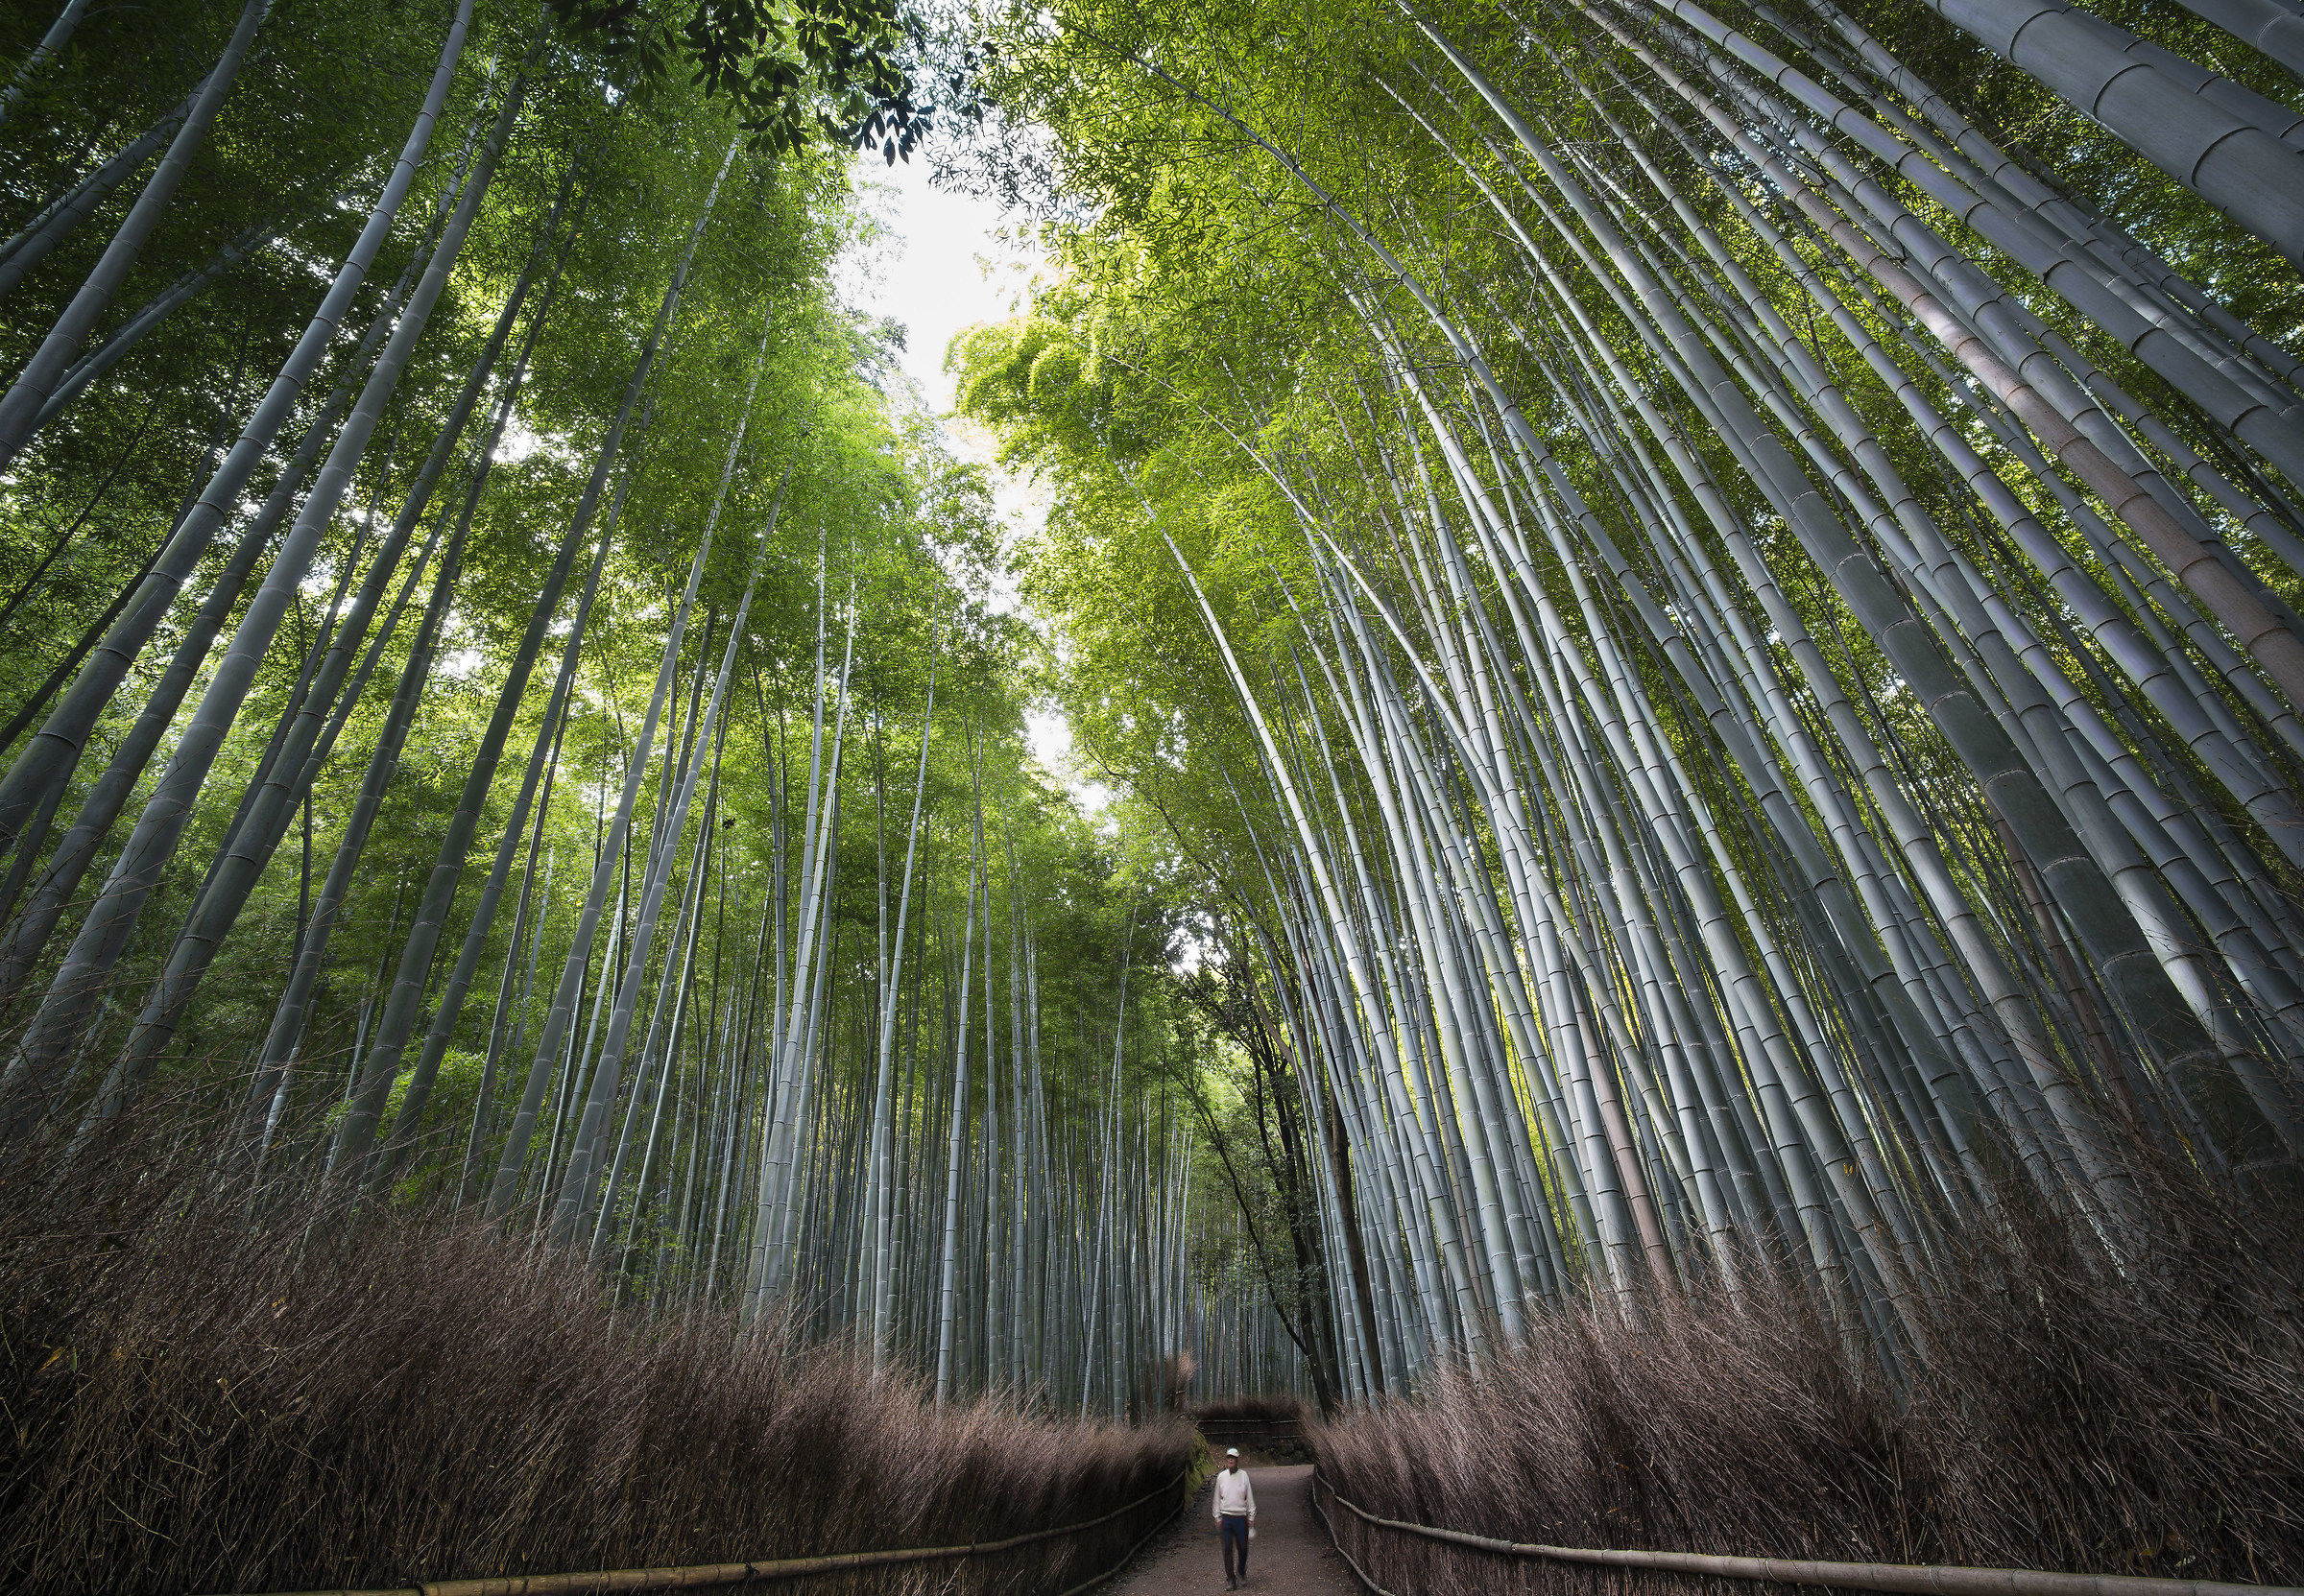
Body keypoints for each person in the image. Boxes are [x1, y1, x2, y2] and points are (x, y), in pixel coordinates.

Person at [1212, 1446, 1256, 1588]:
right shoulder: (1221, 1477)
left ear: (1237, 1460)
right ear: (1226, 1460)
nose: (1230, 1460)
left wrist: (1251, 1514)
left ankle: (1241, 1572)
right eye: (1229, 1457)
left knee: (1243, 1548)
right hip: (1226, 1517)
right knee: (1227, 1550)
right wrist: (1217, 1516)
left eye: (1233, 1458)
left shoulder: (1244, 1476)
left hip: (1240, 1517)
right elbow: (1217, 1498)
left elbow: (1249, 1495)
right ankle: (1230, 1579)